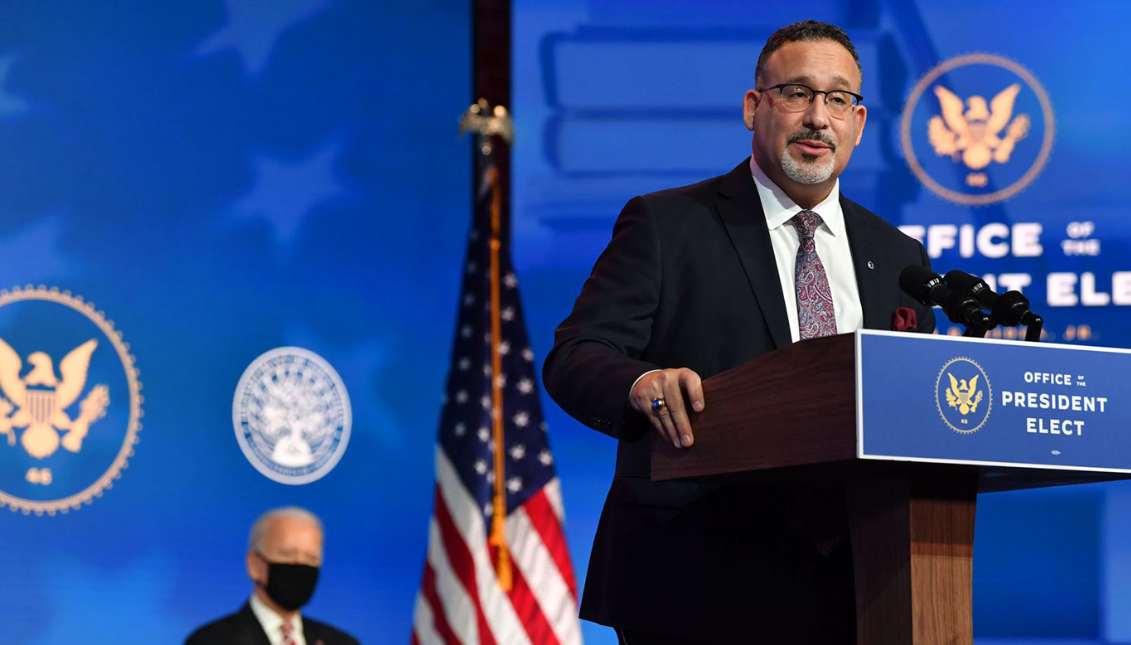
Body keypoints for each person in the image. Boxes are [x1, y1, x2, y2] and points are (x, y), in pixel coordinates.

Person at [542, 20, 935, 644]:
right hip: (697, 573)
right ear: (755, 107)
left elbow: (910, 407)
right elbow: (577, 355)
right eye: (797, 93)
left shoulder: (898, 256)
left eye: (838, 99)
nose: (817, 117)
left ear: (859, 124)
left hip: (865, 582)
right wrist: (642, 382)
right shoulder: (669, 225)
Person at [185, 507, 360, 645]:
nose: (299, 566)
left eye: (310, 558)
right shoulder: (210, 640)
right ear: (254, 564)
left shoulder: (342, 642)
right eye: (287, 555)